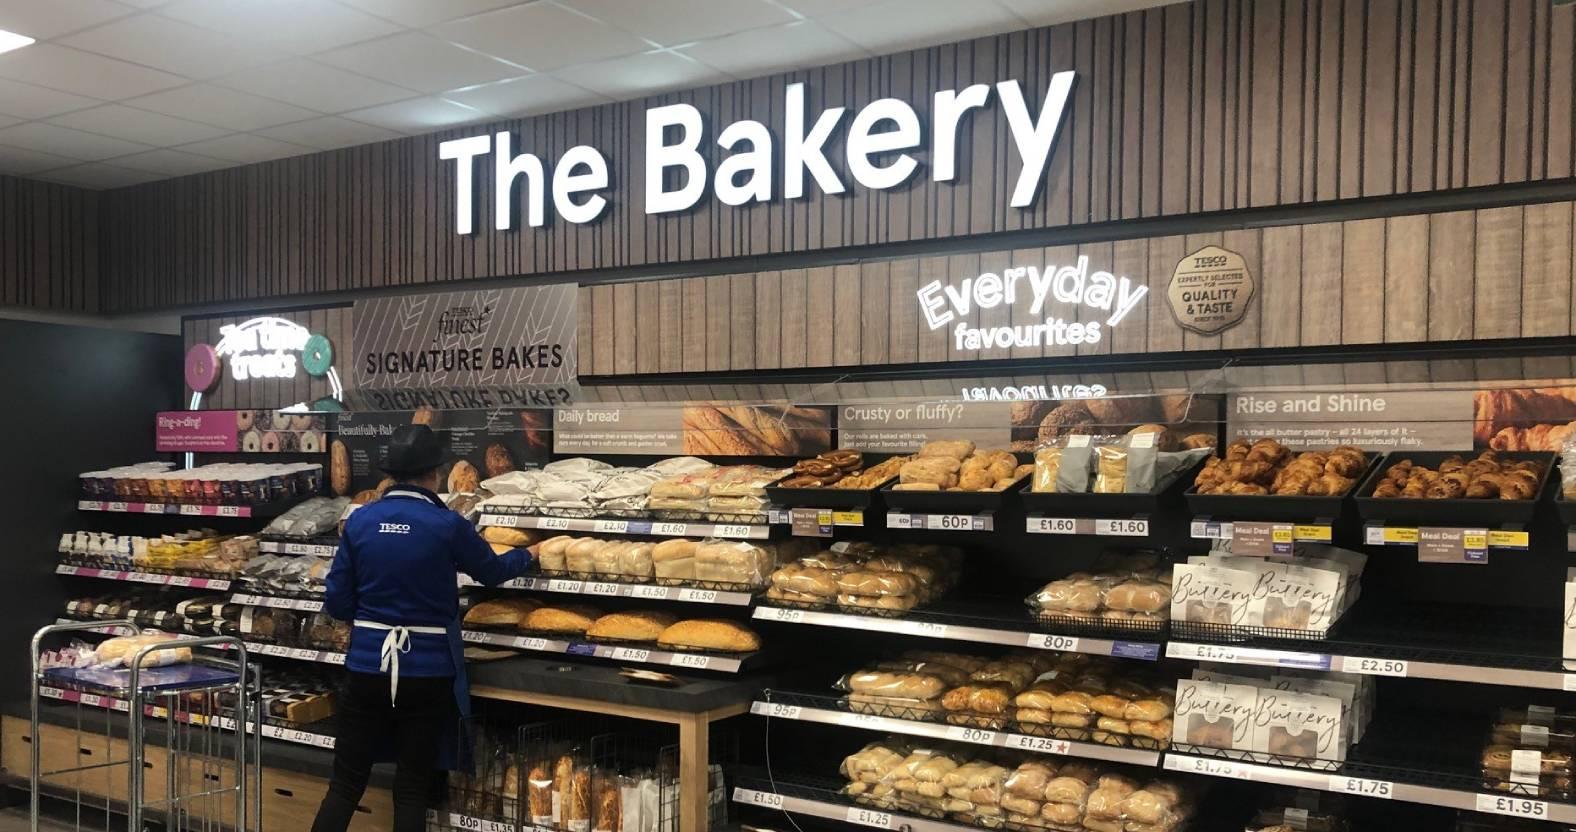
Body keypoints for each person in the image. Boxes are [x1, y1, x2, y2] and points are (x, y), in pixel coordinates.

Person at [312, 424, 533, 832]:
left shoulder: (360, 521)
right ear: (434, 474)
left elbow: (337, 602)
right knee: (412, 788)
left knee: (344, 784)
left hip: (367, 667)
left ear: (391, 475)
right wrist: (530, 554)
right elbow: (492, 572)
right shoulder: (447, 525)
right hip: (427, 673)